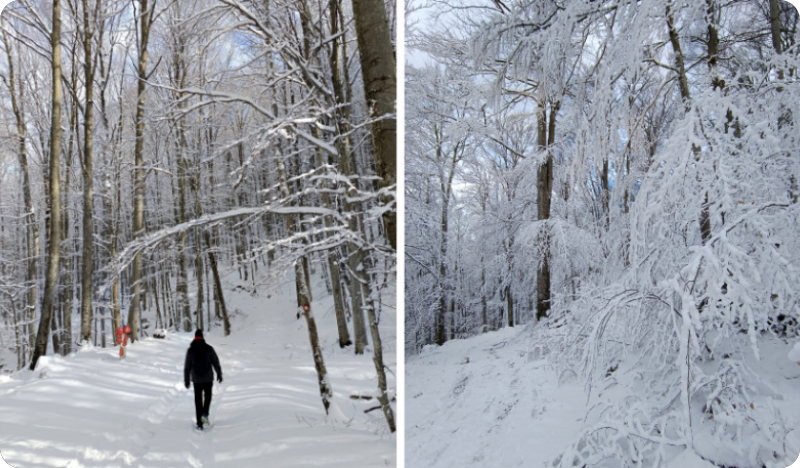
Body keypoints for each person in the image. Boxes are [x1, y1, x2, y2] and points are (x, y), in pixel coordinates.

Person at [184, 329, 222, 430]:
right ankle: (205, 413)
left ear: (195, 337)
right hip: (208, 378)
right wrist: (219, 374)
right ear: (202, 337)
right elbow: (215, 361)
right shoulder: (209, 348)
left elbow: (187, 366)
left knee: (198, 400)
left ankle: (199, 423)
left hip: (196, 379)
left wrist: (187, 380)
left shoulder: (191, 350)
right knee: (208, 397)